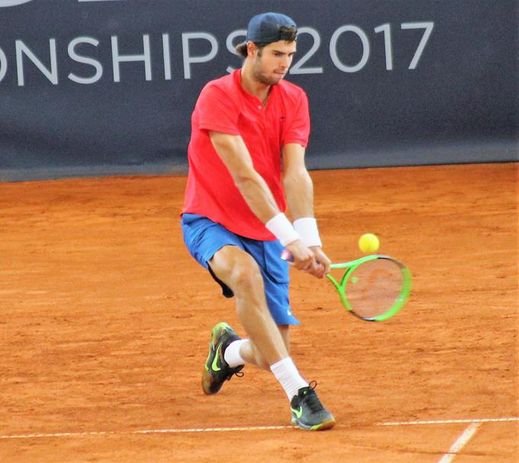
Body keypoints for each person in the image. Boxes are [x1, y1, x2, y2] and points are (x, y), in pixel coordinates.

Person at [181, 11, 335, 431]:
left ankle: (227, 351)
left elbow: (295, 174)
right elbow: (245, 175)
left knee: (269, 353)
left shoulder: (294, 99)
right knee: (243, 275)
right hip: (210, 218)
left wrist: (309, 238)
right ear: (251, 50)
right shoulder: (217, 95)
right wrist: (290, 236)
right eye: (276, 54)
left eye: (290, 55)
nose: (284, 63)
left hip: (267, 229)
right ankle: (300, 394)